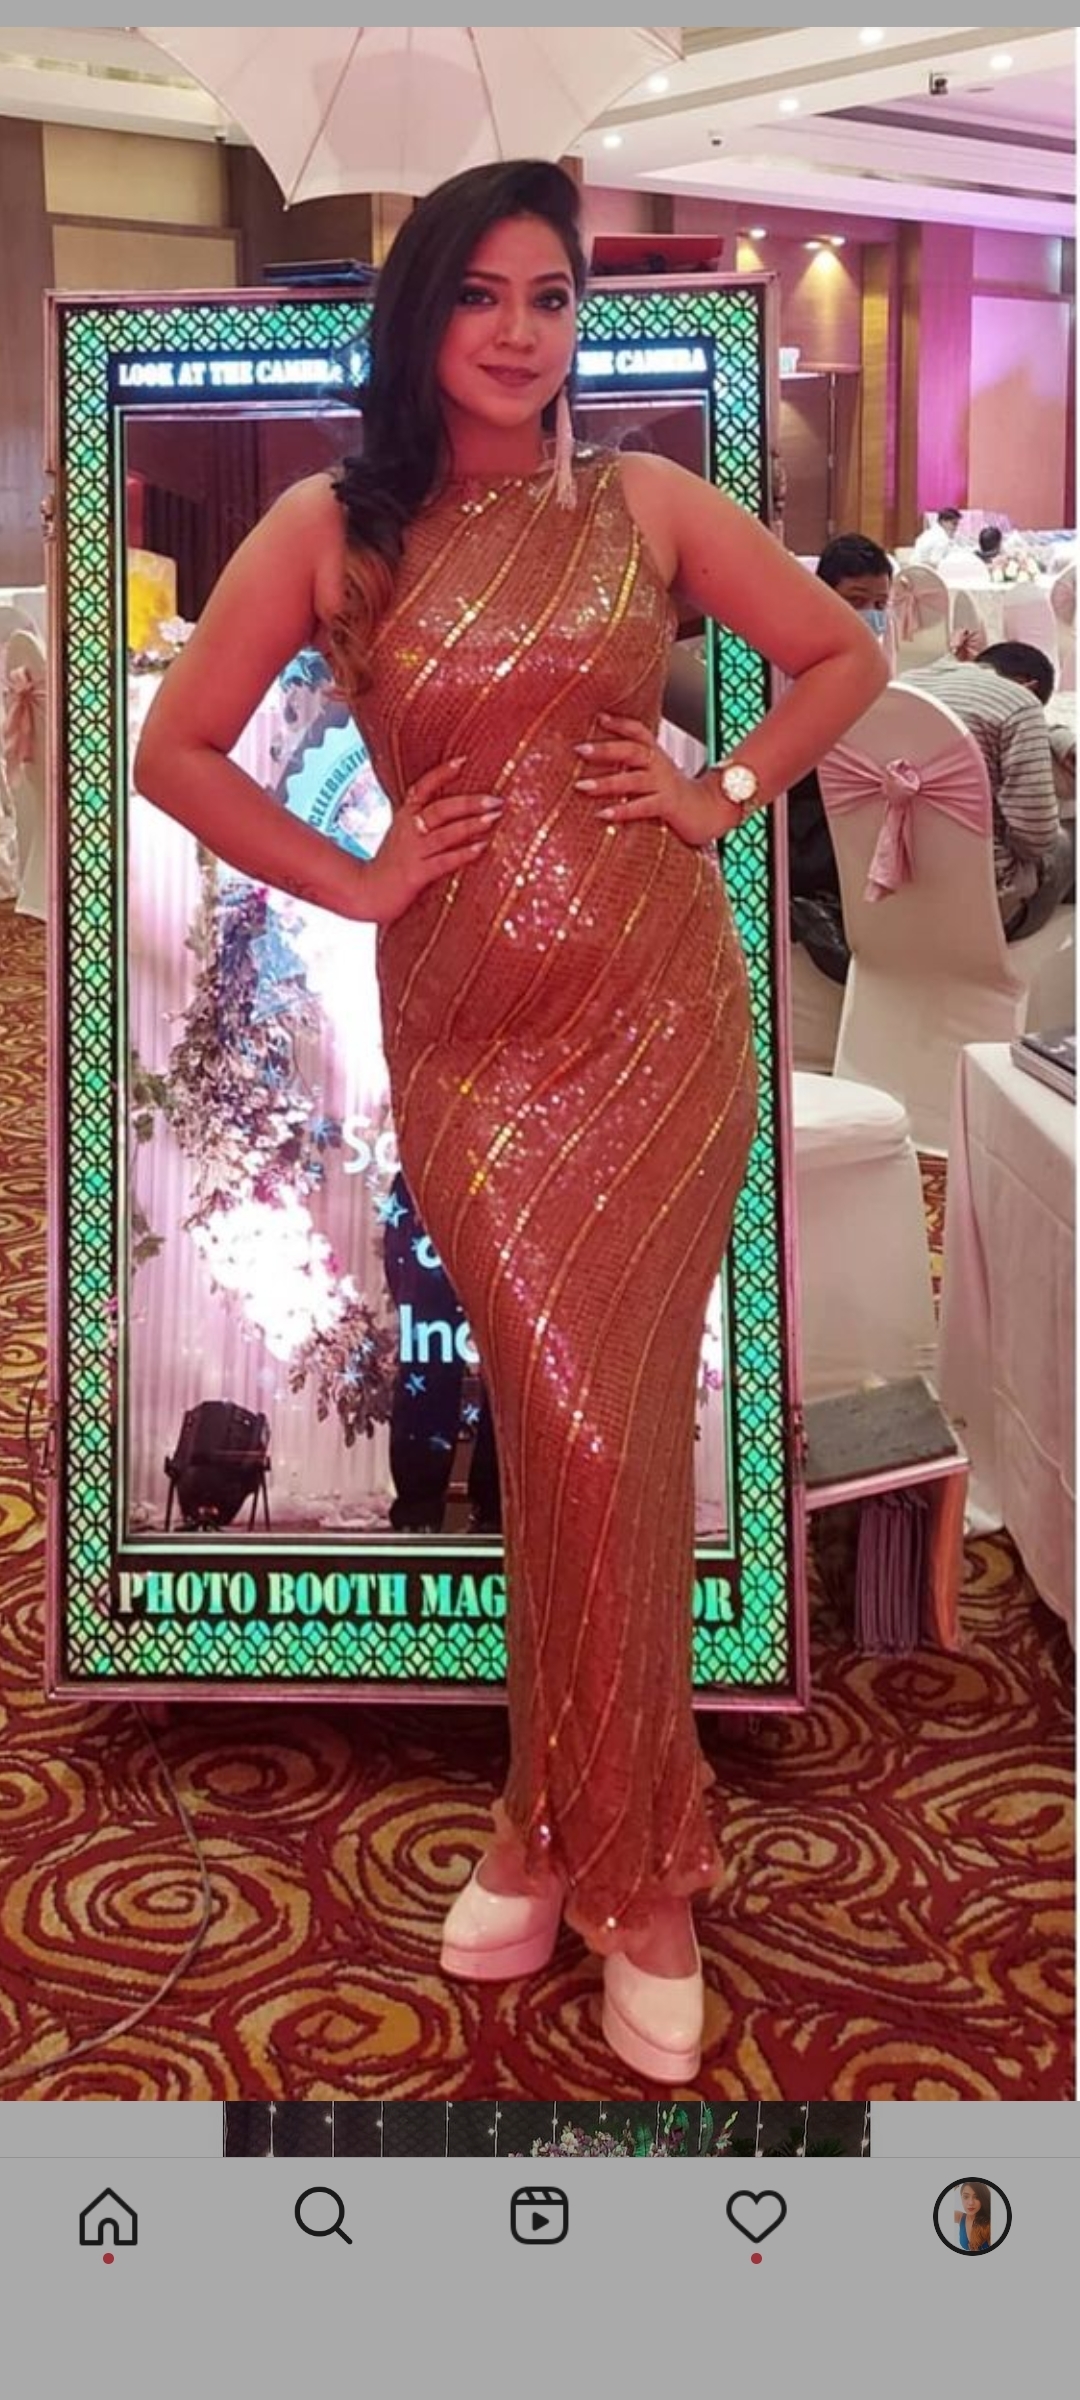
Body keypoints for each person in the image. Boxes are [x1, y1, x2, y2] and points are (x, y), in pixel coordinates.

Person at [134, 158, 886, 2084]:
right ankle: (576, 1832)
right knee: (563, 1439)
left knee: (602, 1442)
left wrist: (719, 792)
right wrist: (358, 877)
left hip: (659, 1029)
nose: (520, 331)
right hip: (470, 1048)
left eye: (550, 297)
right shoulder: (335, 529)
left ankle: (611, 1862)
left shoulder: (640, 503)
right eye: (480, 294)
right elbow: (175, 749)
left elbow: (844, 655)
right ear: (420, 315)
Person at [900, 641, 1071, 937]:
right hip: (982, 908)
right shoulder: (1019, 703)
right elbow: (1035, 839)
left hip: (893, 887)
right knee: (1067, 838)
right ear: (1027, 686)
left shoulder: (904, 685)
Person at [787, 534, 894, 984]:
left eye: (880, 603)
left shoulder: (877, 659)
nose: (871, 614)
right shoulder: (792, 657)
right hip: (803, 818)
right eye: (857, 601)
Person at [954, 2180, 993, 2253]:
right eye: (966, 2197)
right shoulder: (960, 2217)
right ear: (961, 2198)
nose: (971, 2203)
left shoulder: (990, 2223)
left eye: (977, 2197)